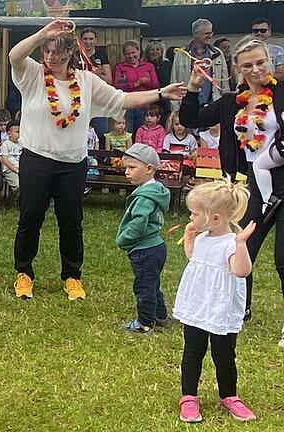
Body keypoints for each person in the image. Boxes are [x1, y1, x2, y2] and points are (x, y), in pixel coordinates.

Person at [8, 19, 185, 301]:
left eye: (58, 52)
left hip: (73, 163)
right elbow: (14, 55)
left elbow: (123, 99)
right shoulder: (32, 74)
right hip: (36, 159)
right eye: (47, 52)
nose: (51, 57)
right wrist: (45, 32)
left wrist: (161, 92)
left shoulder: (87, 82)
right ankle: (24, 273)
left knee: (72, 221)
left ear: (70, 54)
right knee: (30, 218)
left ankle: (72, 277)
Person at [179, 37, 284, 340]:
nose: (255, 70)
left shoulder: (282, 93)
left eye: (260, 62)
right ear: (237, 68)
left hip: (282, 176)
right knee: (241, 248)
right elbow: (190, 119)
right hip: (253, 183)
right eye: (247, 65)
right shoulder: (230, 102)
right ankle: (241, 308)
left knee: (283, 258)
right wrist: (195, 85)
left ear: (269, 61)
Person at [173, 180, 256, 423]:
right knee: (192, 351)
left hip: (220, 307)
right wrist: (189, 237)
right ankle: (188, 396)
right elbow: (194, 258)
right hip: (198, 304)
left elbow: (241, 271)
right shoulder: (202, 238)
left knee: (224, 354)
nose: (191, 216)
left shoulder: (231, 243)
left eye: (195, 213)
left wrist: (241, 244)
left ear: (216, 218)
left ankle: (229, 395)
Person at [115, 144, 171, 334]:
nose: (127, 173)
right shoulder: (156, 190)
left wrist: (123, 239)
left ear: (149, 169)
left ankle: (145, 323)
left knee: (144, 286)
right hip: (157, 246)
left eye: (132, 168)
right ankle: (160, 316)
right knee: (153, 283)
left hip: (145, 250)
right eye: (126, 168)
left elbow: (139, 223)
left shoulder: (144, 197)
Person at [171, 18, 230, 108]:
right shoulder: (181, 54)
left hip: (213, 105)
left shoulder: (217, 53)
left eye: (211, 33)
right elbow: (174, 81)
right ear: (195, 34)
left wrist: (226, 106)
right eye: (206, 34)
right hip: (188, 104)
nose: (210, 36)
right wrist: (176, 108)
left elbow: (225, 83)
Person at [114, 40, 159, 133]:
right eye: (127, 54)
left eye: (133, 52)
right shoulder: (120, 67)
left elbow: (156, 86)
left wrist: (147, 83)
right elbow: (116, 86)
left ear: (139, 51)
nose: (131, 56)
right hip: (127, 104)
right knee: (128, 132)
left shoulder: (148, 66)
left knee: (143, 132)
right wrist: (135, 84)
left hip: (144, 104)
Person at [79, 28, 113, 141]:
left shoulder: (101, 55)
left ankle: (101, 158)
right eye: (85, 39)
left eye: (91, 39)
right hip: (80, 100)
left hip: (98, 99)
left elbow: (109, 80)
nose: (88, 42)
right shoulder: (75, 55)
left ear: (96, 40)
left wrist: (98, 75)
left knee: (101, 132)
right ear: (80, 40)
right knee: (80, 132)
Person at [144, 38, 174, 120]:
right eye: (151, 50)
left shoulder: (166, 64)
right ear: (147, 51)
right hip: (149, 97)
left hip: (164, 98)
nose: (155, 52)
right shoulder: (144, 65)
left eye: (158, 49)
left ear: (162, 51)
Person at [0, 120, 21, 199]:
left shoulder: (23, 144)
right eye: (17, 132)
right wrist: (15, 169)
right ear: (9, 134)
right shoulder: (6, 144)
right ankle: (16, 199)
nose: (20, 134)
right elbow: (4, 159)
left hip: (23, 169)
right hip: (10, 169)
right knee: (18, 185)